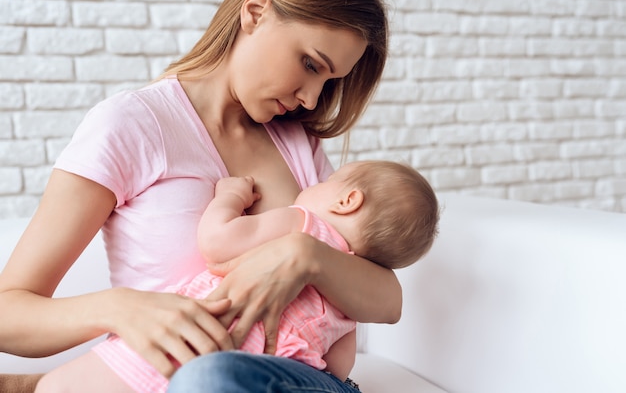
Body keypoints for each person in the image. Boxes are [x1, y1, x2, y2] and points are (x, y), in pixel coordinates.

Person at [0, 0, 398, 392]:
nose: (313, 98)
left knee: (211, 379)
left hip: (294, 380)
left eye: (329, 81)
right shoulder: (133, 125)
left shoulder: (299, 145)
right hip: (180, 380)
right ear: (255, 11)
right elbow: (9, 312)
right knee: (206, 378)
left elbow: (389, 301)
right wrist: (118, 309)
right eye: (311, 64)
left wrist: (306, 254)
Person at [35, 160, 440, 392]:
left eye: (326, 182)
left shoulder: (303, 223)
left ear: (347, 200)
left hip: (198, 344)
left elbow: (218, 242)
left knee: (62, 387)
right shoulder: (352, 293)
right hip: (263, 376)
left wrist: (229, 198)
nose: (314, 183)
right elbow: (336, 367)